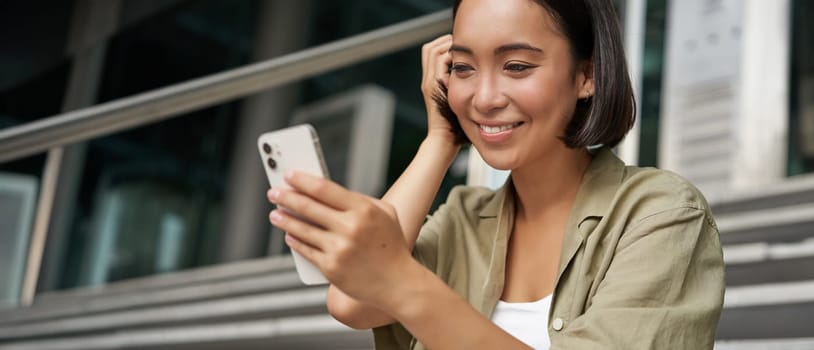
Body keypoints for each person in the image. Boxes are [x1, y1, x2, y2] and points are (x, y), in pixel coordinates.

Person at [265, 0, 725, 348]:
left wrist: (400, 280)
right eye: (463, 68)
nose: (483, 98)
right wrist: (440, 140)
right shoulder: (463, 217)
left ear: (588, 75)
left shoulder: (659, 214)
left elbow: (383, 282)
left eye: (517, 66)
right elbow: (351, 303)